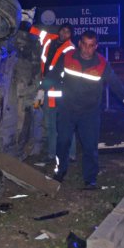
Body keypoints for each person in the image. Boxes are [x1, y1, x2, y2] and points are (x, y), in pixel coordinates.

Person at [53, 31, 124, 188]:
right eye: (84, 44)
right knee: (63, 142)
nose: (86, 49)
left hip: (89, 112)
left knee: (90, 146)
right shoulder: (68, 57)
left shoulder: (102, 63)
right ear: (79, 44)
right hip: (67, 109)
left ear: (96, 47)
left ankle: (90, 179)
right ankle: (59, 172)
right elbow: (54, 74)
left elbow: (114, 81)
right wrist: (42, 91)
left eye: (91, 46)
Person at [28, 20, 77, 163]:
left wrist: (42, 89)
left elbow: (57, 72)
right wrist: (26, 22)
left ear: (71, 35)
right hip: (47, 87)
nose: (64, 33)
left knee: (65, 124)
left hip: (62, 90)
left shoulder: (70, 50)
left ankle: (70, 154)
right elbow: (37, 32)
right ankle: (52, 154)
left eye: (67, 32)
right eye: (62, 30)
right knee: (50, 125)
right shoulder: (50, 39)